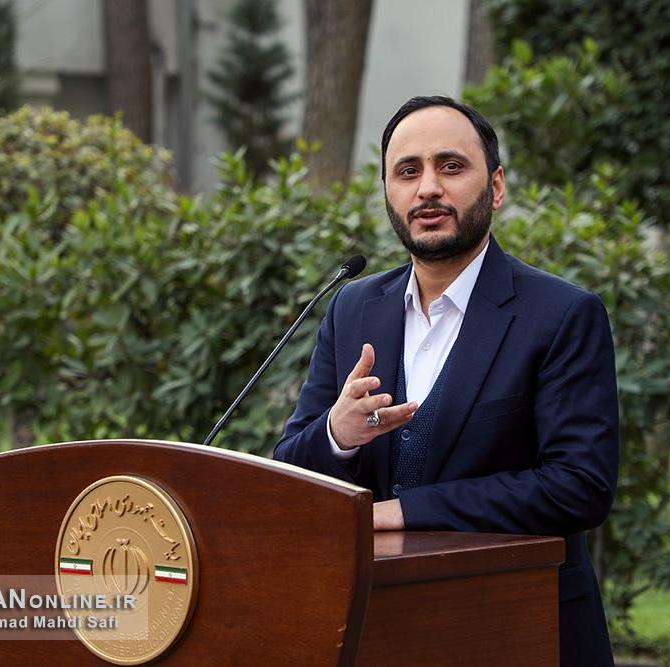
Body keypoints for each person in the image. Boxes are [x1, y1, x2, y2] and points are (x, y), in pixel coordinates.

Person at [272, 95, 619, 665]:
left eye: (451, 167)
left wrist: (407, 511)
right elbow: (291, 475)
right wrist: (337, 436)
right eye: (407, 172)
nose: (428, 188)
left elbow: (578, 486)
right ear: (388, 193)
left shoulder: (561, 314)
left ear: (496, 187)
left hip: (523, 629)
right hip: (378, 631)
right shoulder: (352, 308)